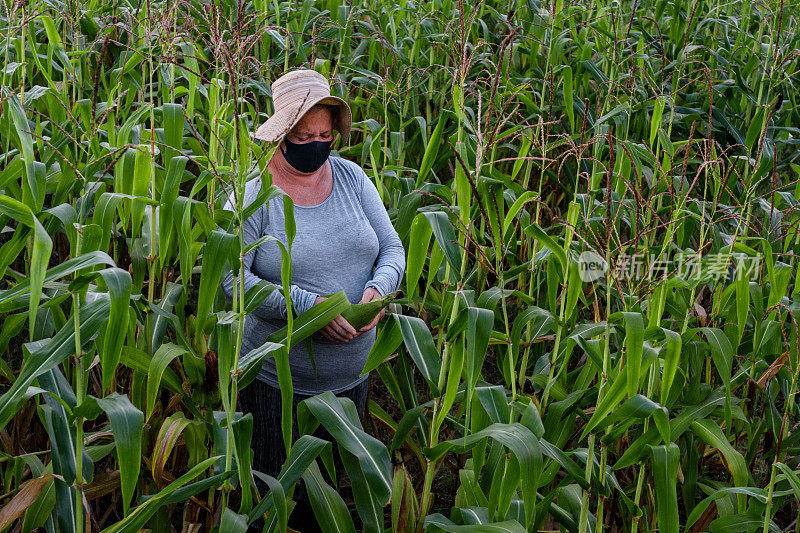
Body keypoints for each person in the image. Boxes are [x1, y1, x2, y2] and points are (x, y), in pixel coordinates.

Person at [221, 69, 405, 532]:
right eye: (304, 136)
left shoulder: (350, 177)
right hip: (276, 390)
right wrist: (308, 308)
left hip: (351, 384)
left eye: (325, 135)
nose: (317, 145)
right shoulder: (251, 195)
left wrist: (377, 292)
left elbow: (393, 249)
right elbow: (230, 280)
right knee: (277, 507)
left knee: (336, 507)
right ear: (282, 134)